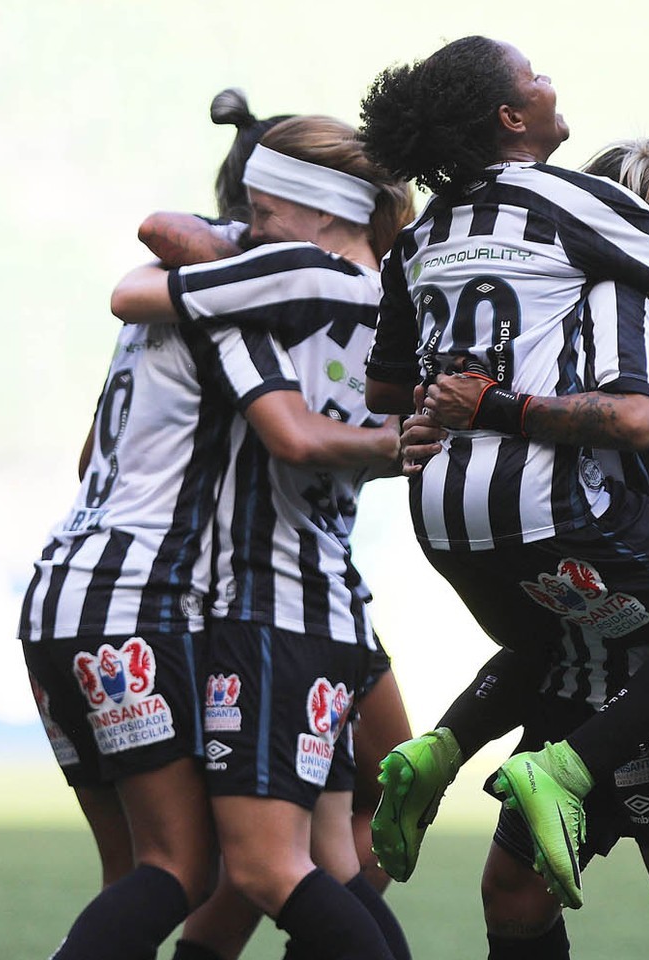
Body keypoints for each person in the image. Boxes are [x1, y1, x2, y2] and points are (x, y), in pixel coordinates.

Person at [359, 37, 649, 960]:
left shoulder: (433, 239)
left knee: (513, 892)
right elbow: (641, 415)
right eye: (539, 78)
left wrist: (441, 414)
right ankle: (534, 764)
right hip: (643, 658)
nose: (555, 84)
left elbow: (388, 393)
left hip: (479, 544)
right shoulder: (619, 282)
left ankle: (442, 749)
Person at [109, 113, 414, 960]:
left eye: (263, 206)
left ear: (319, 210)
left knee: (262, 867)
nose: (250, 223)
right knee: (331, 857)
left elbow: (136, 281)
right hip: (332, 597)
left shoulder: (283, 277)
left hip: (265, 602)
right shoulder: (394, 298)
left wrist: (220, 254)